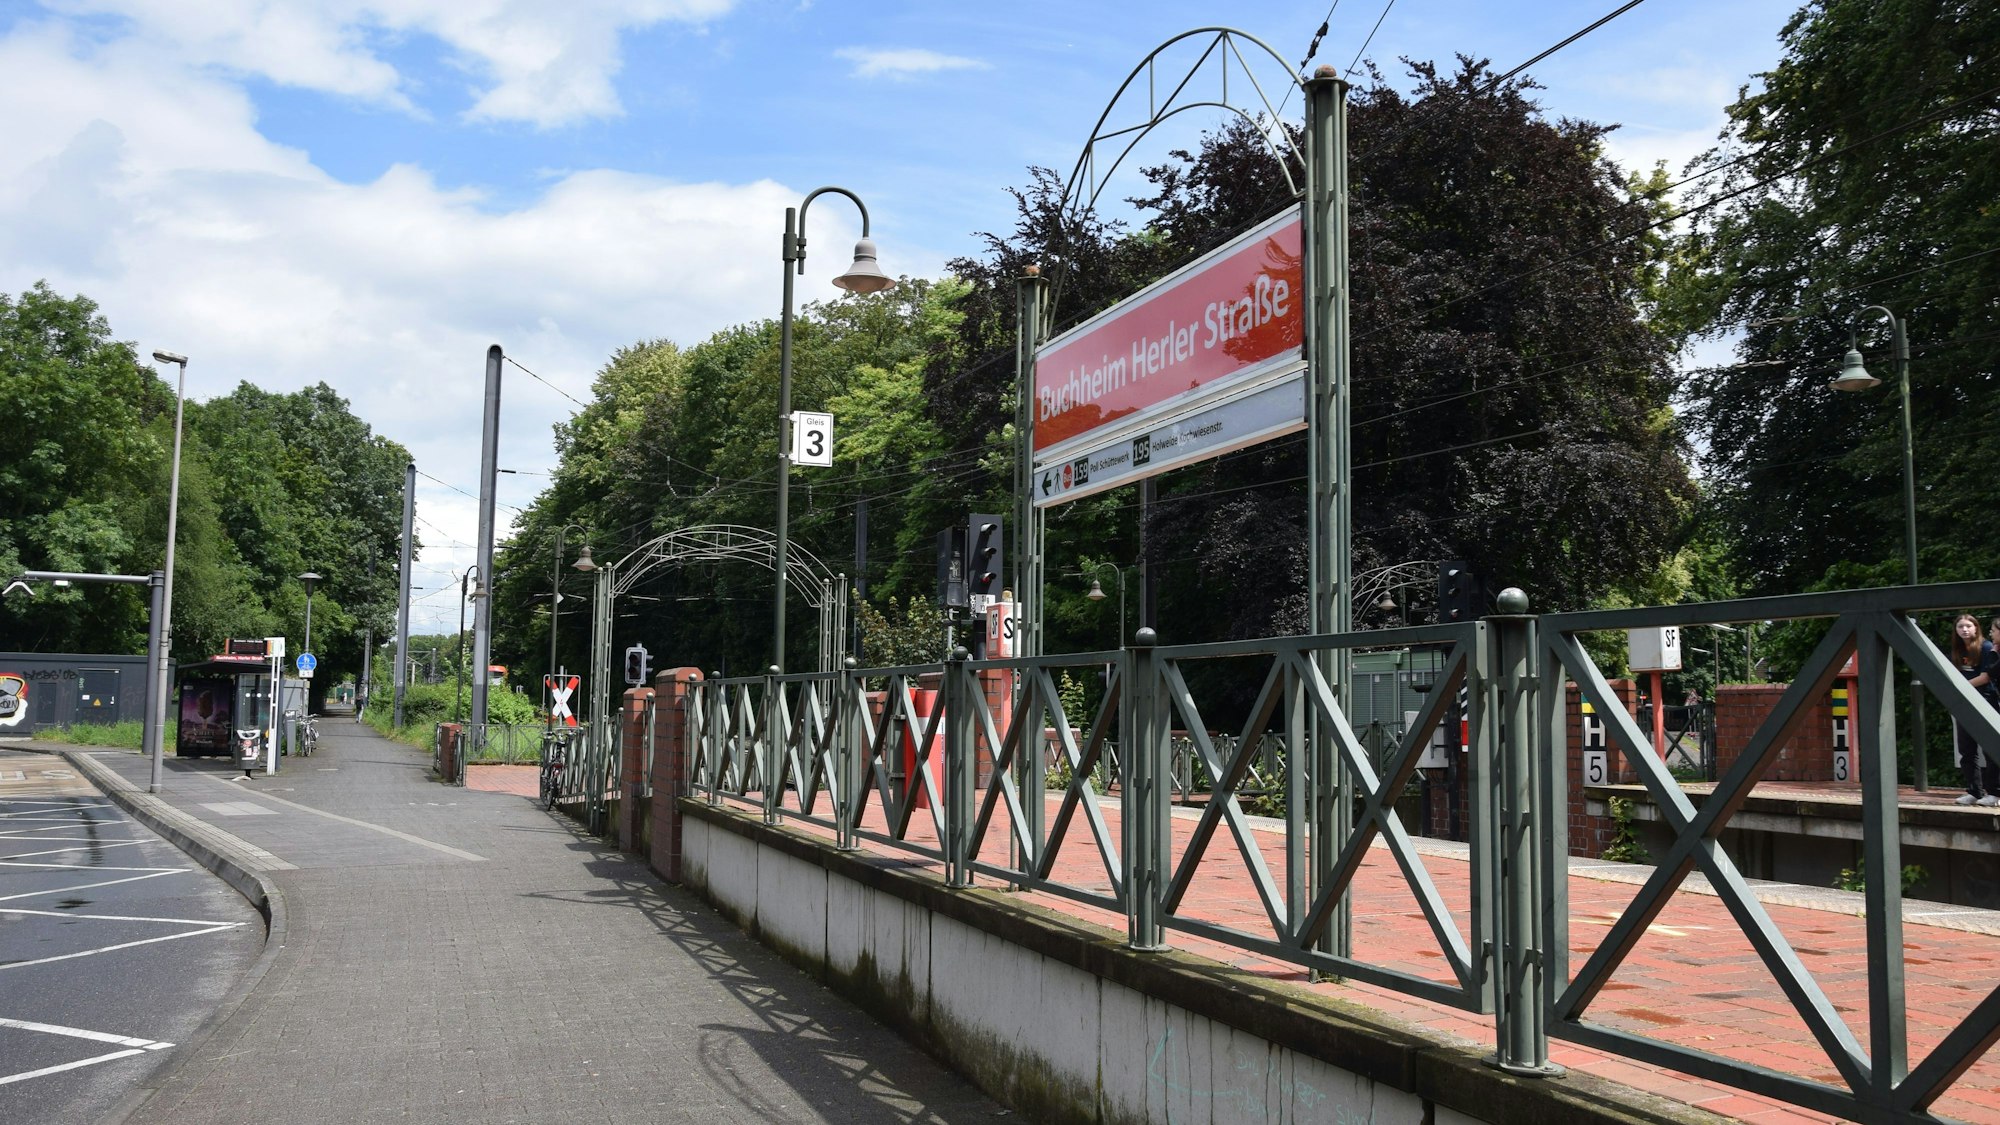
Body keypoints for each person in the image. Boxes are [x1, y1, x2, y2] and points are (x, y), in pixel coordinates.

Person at [1950, 613, 2000, 805]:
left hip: (1985, 701)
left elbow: (1986, 677)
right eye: (1960, 626)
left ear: (1976, 628)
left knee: (1990, 748)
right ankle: (1974, 791)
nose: (1965, 629)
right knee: (1966, 749)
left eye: (1968, 626)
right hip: (1964, 703)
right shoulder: (1957, 650)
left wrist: (1959, 688)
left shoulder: (1986, 647)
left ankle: (1994, 792)